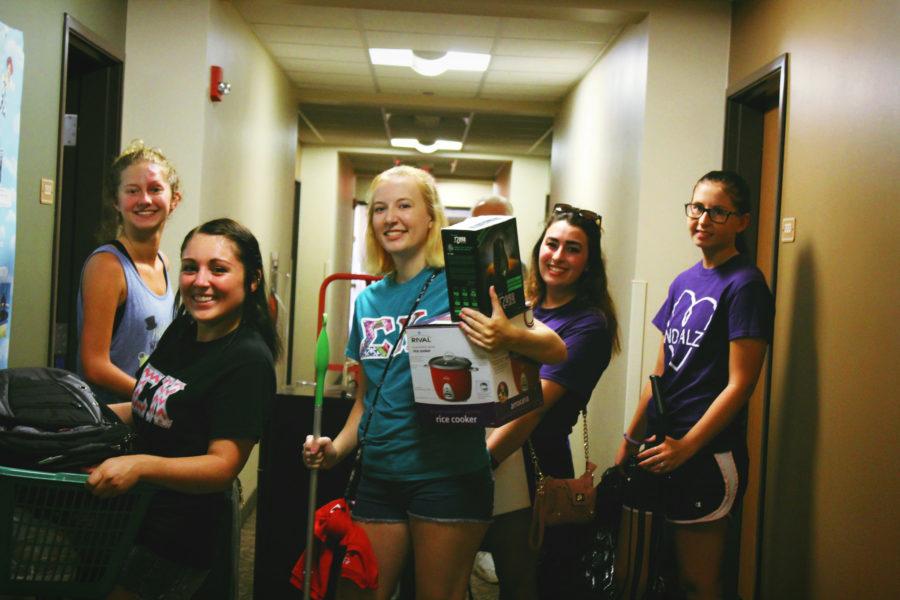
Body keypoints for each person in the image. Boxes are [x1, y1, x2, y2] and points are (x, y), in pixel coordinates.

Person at [302, 165, 566, 600]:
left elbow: (556, 349)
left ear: (431, 218)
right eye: (381, 208)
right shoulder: (367, 300)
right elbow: (367, 400)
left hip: (449, 475)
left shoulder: (465, 283)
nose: (391, 218)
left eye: (406, 206)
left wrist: (508, 335)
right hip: (379, 475)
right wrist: (336, 447)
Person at [85, 218, 279, 600]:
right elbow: (151, 404)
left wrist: (139, 466)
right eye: (190, 268)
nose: (200, 280)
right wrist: (85, 422)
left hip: (180, 535)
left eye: (218, 269)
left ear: (252, 280)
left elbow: (221, 466)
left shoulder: (248, 361)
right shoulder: (182, 331)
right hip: (133, 516)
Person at [615, 171, 773, 600]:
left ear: (741, 221)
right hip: (661, 445)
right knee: (649, 572)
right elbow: (661, 372)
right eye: (697, 207)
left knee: (697, 581)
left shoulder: (746, 285)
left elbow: (741, 385)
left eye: (718, 211)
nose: (703, 218)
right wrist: (631, 437)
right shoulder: (684, 281)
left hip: (707, 454)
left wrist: (688, 446)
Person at [483, 203, 620, 599]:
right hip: (492, 448)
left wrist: (483, 463)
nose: (558, 257)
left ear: (589, 262)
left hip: (533, 465)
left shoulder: (589, 324)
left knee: (526, 583)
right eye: (552, 244)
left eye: (573, 249)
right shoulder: (522, 307)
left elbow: (535, 404)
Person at [77, 141, 181, 404]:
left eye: (155, 189)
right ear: (116, 201)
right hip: (110, 425)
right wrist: (158, 398)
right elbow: (94, 365)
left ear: (174, 199)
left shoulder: (163, 263)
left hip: (147, 419)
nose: (145, 200)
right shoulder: (108, 266)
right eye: (132, 191)